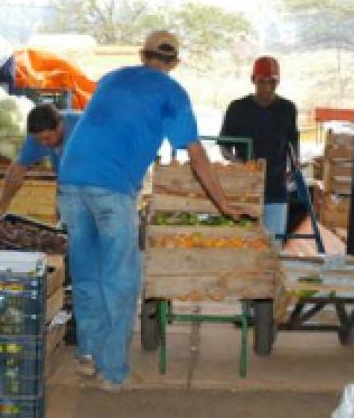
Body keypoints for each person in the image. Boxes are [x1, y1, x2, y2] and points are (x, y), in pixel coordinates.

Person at [58, 30, 250, 391]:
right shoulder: (171, 92)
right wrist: (223, 203)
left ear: (143, 54)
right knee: (121, 279)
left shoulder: (112, 78)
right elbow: (194, 153)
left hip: (70, 179)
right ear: (174, 62)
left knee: (86, 273)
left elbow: (99, 124)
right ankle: (112, 373)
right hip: (111, 187)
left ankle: (88, 356)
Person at [220, 56, 300, 239]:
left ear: (278, 82)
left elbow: (293, 146)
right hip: (244, 188)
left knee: (273, 245)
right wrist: (243, 166)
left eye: (272, 82)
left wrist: (293, 169)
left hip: (276, 190)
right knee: (243, 243)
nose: (266, 87)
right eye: (262, 82)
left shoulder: (288, 109)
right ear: (253, 80)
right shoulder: (237, 108)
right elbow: (224, 148)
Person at [0, 104, 82, 222]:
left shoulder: (82, 129)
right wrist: (1, 207)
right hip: (68, 187)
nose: (43, 143)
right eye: (39, 139)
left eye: (47, 138)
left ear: (60, 126)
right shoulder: (38, 137)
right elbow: (18, 168)